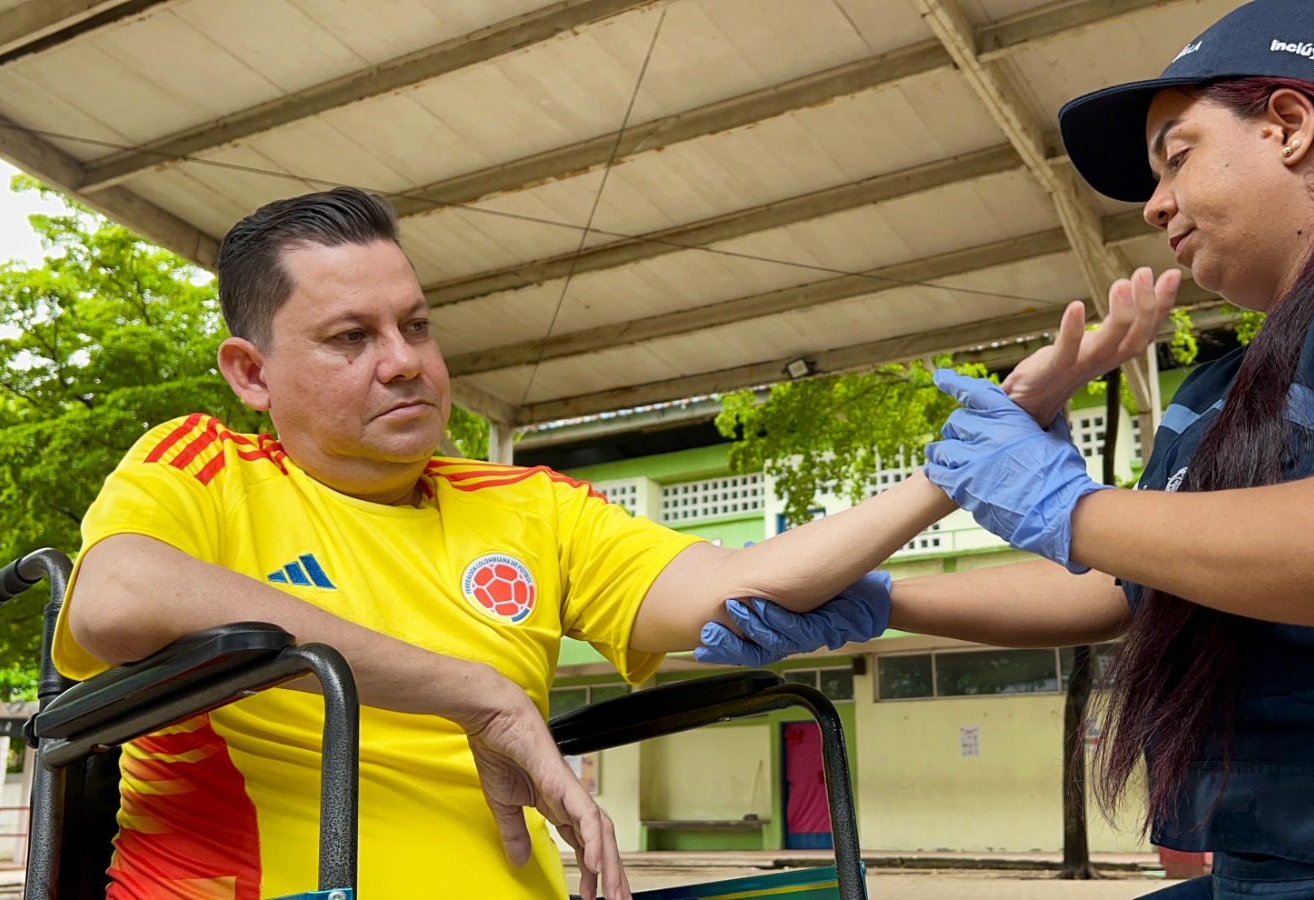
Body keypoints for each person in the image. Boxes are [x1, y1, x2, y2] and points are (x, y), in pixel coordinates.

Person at [701, 1, 1314, 897]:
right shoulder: (1218, 395)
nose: (1155, 205)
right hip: (1289, 860)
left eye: (1176, 156)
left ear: (1289, 127)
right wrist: (882, 602)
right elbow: (1122, 585)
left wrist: (1069, 503)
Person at [57, 187, 954, 900]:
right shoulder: (206, 470)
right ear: (252, 373)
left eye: (415, 325)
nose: (404, 360)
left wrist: (951, 474)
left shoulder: (532, 507)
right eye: (350, 338)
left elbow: (736, 586)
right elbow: (116, 600)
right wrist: (473, 695)